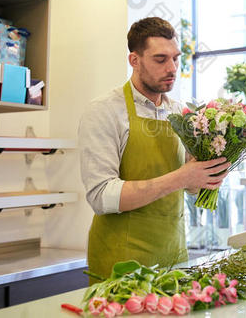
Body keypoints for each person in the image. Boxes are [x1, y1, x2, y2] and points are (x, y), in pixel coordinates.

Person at [78, 17, 229, 282]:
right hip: (121, 263)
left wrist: (206, 175)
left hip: (173, 257)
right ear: (134, 61)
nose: (172, 68)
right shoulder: (104, 111)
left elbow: (190, 188)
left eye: (175, 58)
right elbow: (102, 196)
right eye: (160, 60)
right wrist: (182, 176)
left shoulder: (179, 113)